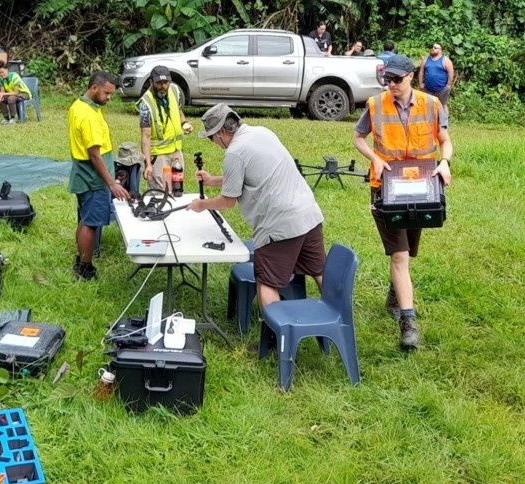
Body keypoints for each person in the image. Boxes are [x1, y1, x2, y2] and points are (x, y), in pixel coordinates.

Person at [352, 54, 453, 350]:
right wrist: (375, 158)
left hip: (421, 188)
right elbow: (358, 138)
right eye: (388, 79)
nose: (391, 84)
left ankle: (395, 294)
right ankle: (408, 324)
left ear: (411, 77)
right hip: (387, 188)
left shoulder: (431, 104)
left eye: (397, 79)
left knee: (408, 252)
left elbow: (444, 139)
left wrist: (445, 162)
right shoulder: (375, 105)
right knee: (399, 255)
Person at [188, 104, 326, 309]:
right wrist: (212, 180)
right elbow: (250, 175)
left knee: (267, 282)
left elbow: (228, 201)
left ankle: (274, 337)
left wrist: (202, 204)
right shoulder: (262, 132)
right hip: (309, 213)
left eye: (211, 137)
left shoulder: (234, 152)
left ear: (221, 133)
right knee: (319, 272)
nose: (213, 142)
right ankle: (338, 313)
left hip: (280, 225)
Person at [67, 71, 130, 280]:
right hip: (93, 177)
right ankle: (85, 268)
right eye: (106, 93)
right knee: (90, 223)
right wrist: (111, 183)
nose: (109, 98)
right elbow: (95, 155)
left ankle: (80, 259)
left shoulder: (80, 105)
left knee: (85, 219)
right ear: (94, 88)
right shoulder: (87, 115)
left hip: (83, 173)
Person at [138, 65, 193, 195]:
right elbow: (145, 136)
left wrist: (184, 122)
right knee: (159, 194)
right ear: (151, 82)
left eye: (165, 82)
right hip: (158, 156)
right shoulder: (145, 104)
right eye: (159, 83)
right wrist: (148, 164)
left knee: (177, 190)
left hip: (176, 153)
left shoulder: (174, 90)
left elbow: (178, 111)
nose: (163, 86)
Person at [419, 42, 454, 114]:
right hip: (428, 89)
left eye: (435, 48)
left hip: (442, 89)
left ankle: (444, 123)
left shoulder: (445, 60)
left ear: (440, 50)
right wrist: (421, 84)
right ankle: (430, 122)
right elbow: (421, 72)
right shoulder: (426, 59)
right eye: (433, 47)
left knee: (443, 105)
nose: (433, 49)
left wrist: (448, 85)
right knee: (428, 105)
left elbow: (451, 73)